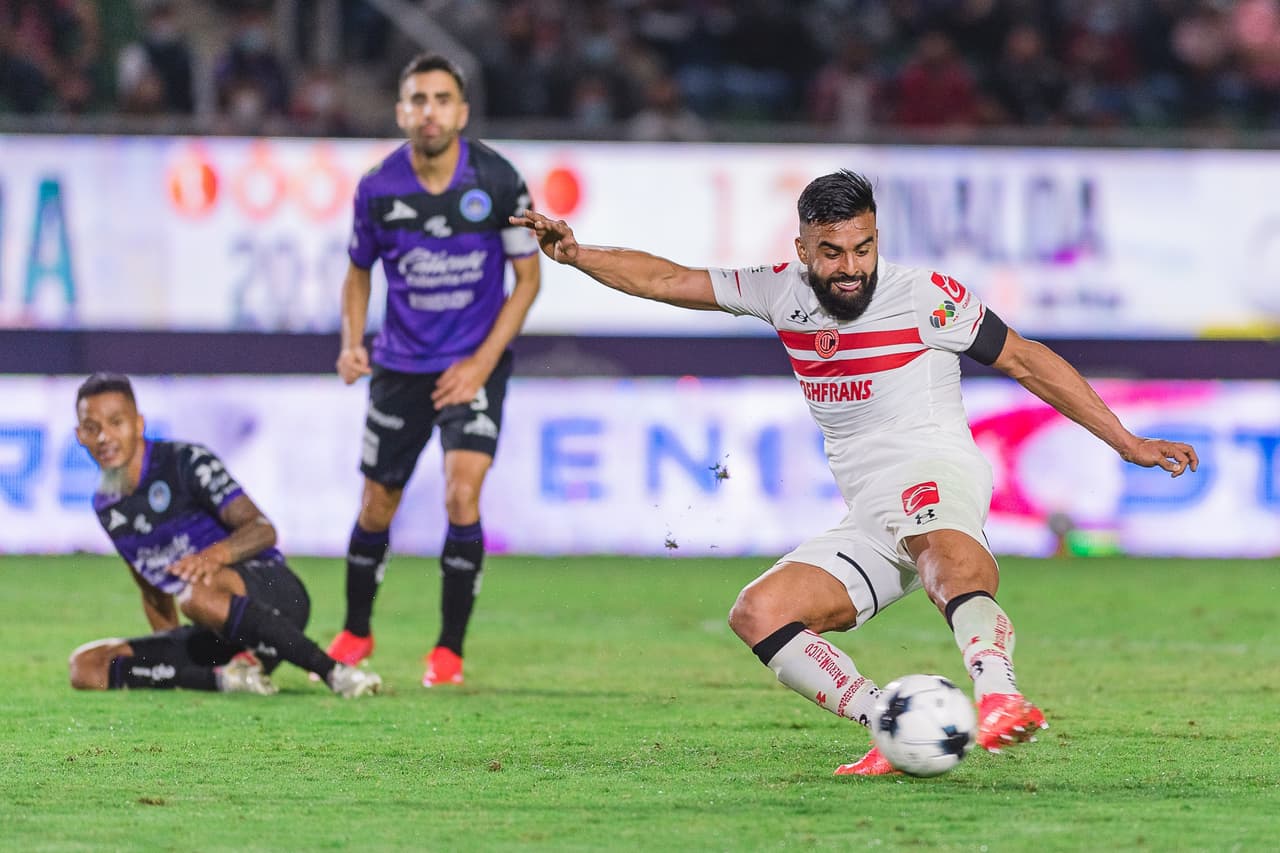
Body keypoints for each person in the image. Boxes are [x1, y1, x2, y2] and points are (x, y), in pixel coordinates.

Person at [511, 170, 1199, 775]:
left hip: (934, 467)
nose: (850, 267)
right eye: (833, 251)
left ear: (878, 241)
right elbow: (667, 279)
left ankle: (999, 692)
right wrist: (575, 255)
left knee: (941, 552)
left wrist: (1125, 440)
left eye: (863, 248)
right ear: (803, 249)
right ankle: (891, 723)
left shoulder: (924, 296)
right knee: (759, 612)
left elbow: (1024, 358)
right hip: (872, 511)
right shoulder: (778, 292)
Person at [325, 53, 541, 687]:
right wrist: (349, 343)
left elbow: (526, 280)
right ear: (401, 112)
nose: (430, 111)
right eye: (418, 100)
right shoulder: (377, 187)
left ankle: (448, 651)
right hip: (399, 367)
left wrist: (480, 364)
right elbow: (358, 271)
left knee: (461, 493)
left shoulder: (499, 180)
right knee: (376, 507)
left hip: (473, 366)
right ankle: (356, 632)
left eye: (442, 99)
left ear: (462, 111)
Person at [68, 373, 382, 699]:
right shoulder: (106, 505)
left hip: (274, 598)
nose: (104, 436)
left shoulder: (185, 463)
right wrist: (176, 648)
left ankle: (333, 671)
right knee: (87, 666)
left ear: (139, 423)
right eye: (92, 428)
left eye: (116, 422)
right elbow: (152, 591)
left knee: (196, 594)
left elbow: (263, 530)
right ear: (80, 436)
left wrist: (212, 557)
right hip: (212, 625)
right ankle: (226, 679)